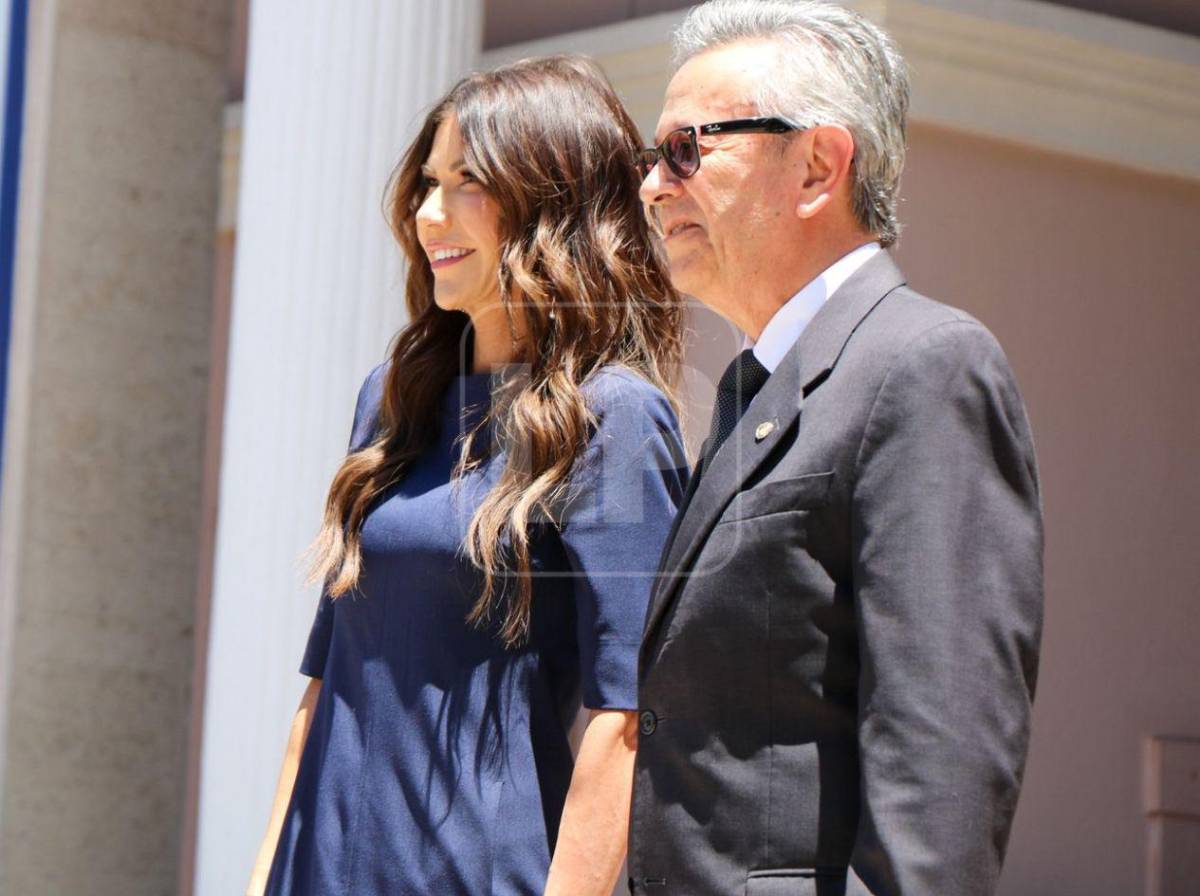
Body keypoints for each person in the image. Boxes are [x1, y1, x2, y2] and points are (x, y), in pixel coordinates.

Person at [247, 55, 688, 896]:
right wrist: (264, 875)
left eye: (465, 182)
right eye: (426, 181)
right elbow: (326, 676)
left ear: (550, 201)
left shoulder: (618, 418)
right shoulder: (394, 397)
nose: (427, 212)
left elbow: (630, 717)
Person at [629, 2, 1044, 894]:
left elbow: (942, 767)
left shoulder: (924, 365)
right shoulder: (758, 388)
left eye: (685, 150)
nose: (653, 187)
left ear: (818, 163)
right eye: (651, 159)